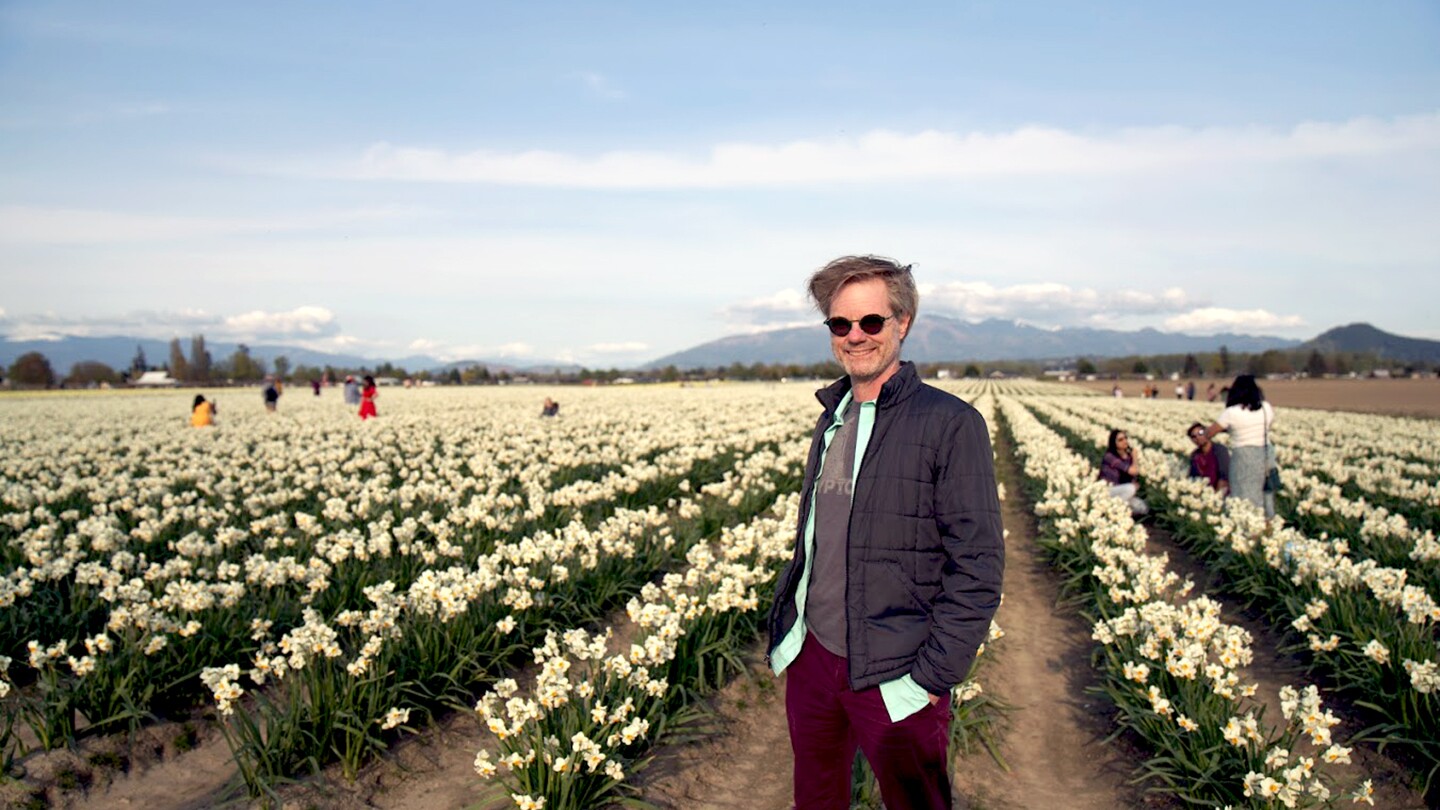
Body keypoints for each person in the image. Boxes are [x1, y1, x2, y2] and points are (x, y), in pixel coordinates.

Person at [766, 255, 1004, 810]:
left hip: (897, 670)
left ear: (903, 323)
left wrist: (927, 679)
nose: (855, 336)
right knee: (817, 799)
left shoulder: (950, 423)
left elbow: (979, 566)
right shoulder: (833, 416)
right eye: (840, 324)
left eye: (871, 322)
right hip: (814, 660)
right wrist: (793, 639)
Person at [1203, 374, 1276, 518]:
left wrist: (1227, 429)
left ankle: (1247, 527)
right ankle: (1267, 524)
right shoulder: (1266, 408)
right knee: (1265, 493)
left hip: (1244, 455)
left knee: (1243, 494)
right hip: (1266, 454)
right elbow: (1266, 426)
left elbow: (1209, 433)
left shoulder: (1232, 412)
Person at [1098, 428, 1148, 515]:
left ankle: (1119, 510)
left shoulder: (1127, 457)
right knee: (1130, 488)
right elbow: (1133, 471)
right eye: (1120, 440)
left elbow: (1133, 478)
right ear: (1114, 443)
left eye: (1125, 438)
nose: (1125, 441)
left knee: (1142, 507)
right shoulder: (1110, 457)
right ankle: (1113, 510)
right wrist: (1135, 457)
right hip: (1108, 491)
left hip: (1121, 492)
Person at [1186, 421, 1230, 494]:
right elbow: (1193, 478)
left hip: (1221, 494)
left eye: (1200, 433)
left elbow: (1224, 477)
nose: (1198, 437)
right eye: (1194, 436)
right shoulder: (1195, 456)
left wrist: (1216, 498)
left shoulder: (1220, 450)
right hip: (1203, 494)